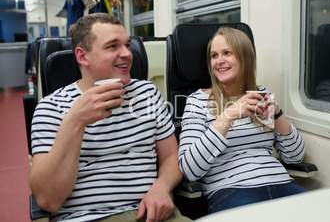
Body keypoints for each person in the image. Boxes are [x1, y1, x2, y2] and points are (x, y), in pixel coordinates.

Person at [30, 13, 191, 222]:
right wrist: (76, 121)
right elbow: (48, 200)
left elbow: (171, 156)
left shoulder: (147, 93)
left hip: (151, 214)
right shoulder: (51, 108)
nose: (127, 53)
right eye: (113, 46)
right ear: (82, 56)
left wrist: (162, 187)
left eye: (127, 44)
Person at [178, 27, 306, 213]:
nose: (219, 61)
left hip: (281, 183)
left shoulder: (260, 95)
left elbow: (295, 156)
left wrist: (277, 114)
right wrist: (228, 115)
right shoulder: (197, 101)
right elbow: (189, 169)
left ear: (245, 58)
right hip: (232, 191)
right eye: (214, 56)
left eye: (227, 53)